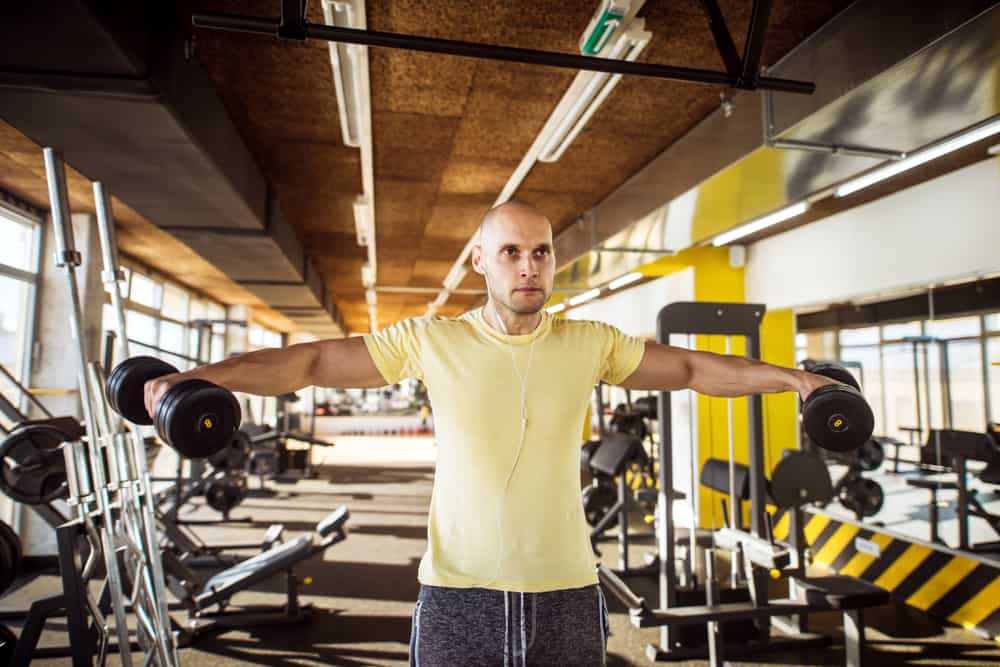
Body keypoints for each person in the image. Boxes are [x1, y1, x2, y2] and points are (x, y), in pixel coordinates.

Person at [143, 200, 839, 666]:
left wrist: (796, 380)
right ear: (480, 260)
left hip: (568, 596)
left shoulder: (588, 341)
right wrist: (203, 375)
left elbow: (688, 366)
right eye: (511, 252)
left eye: (541, 251)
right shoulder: (432, 339)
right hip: (457, 598)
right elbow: (316, 360)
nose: (529, 265)